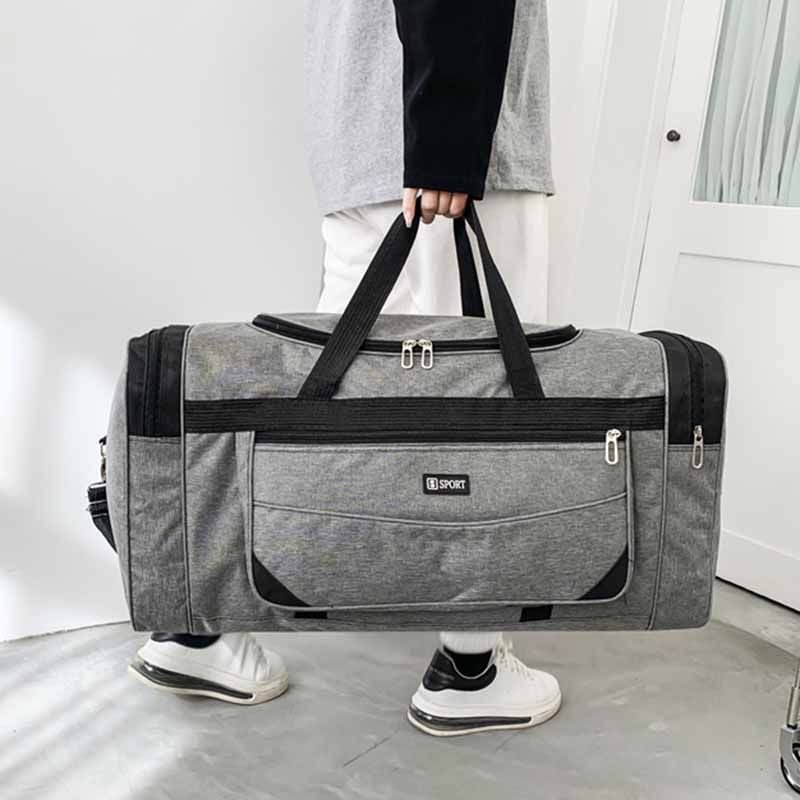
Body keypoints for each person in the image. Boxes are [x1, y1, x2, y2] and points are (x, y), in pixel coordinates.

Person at [130, 0, 561, 737]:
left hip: (363, 134)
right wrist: (447, 138)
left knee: (324, 405)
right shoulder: (443, 141)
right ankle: (471, 668)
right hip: (441, 144)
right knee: (484, 413)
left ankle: (196, 627)